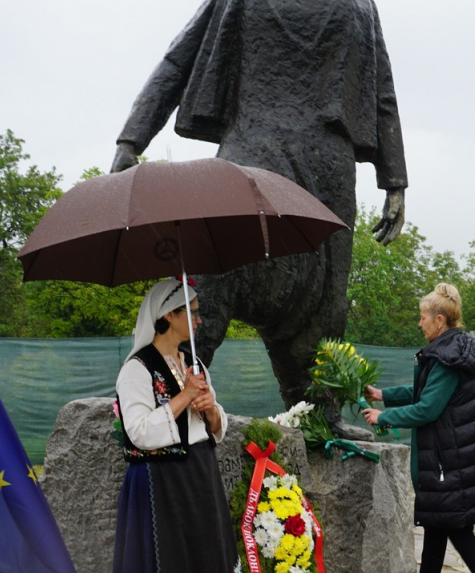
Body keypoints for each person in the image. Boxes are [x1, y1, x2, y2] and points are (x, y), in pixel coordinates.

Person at [111, 0, 408, 409]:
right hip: (254, 147)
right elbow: (181, 57)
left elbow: (382, 88)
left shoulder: (361, 3)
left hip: (328, 168)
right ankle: (165, 403)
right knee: (212, 278)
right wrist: (131, 139)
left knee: (323, 306)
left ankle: (318, 422)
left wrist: (395, 180)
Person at [361, 283, 475, 573]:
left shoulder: (447, 358)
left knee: (457, 528)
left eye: (423, 318)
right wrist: (383, 395)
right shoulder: (448, 351)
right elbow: (422, 392)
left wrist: (382, 417)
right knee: (437, 521)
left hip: (452, 461)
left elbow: (428, 408)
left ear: (440, 320)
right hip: (452, 457)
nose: (419, 324)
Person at [112, 278, 248, 573]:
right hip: (160, 484)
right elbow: (137, 431)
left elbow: (215, 423)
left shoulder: (194, 362)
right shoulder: (136, 369)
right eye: (193, 312)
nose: (200, 320)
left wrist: (210, 410)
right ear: (170, 315)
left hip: (199, 475)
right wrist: (185, 397)